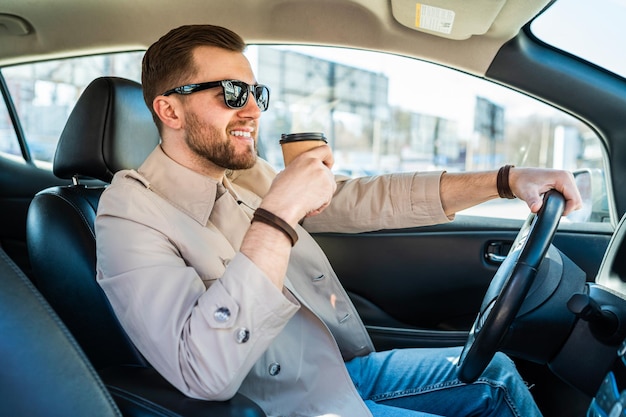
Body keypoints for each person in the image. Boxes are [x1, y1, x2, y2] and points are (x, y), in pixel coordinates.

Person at [95, 24, 582, 417]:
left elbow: (358, 197)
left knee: (495, 371)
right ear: (168, 110)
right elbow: (205, 373)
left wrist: (504, 180)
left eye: (254, 92)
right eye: (229, 92)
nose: (251, 109)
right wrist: (279, 212)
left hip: (336, 370)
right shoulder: (128, 213)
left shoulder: (239, 177)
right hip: (286, 405)